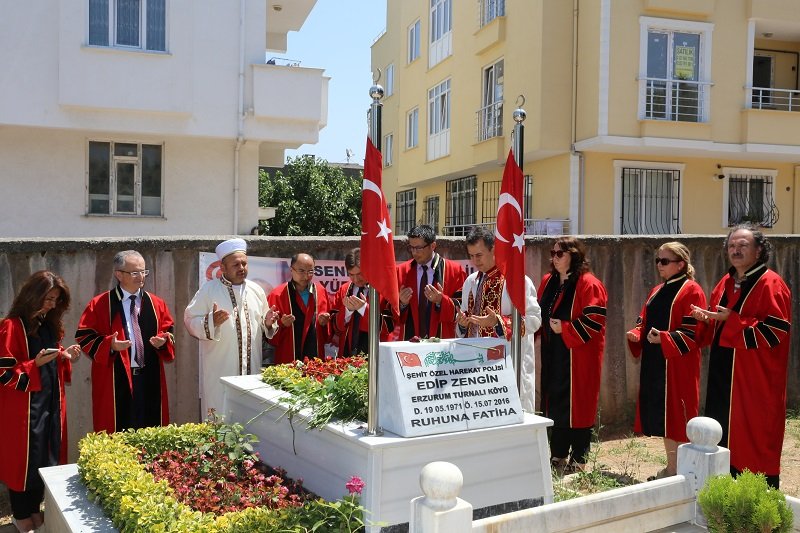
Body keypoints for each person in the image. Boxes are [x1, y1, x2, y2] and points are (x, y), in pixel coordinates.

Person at [691, 224, 791, 489]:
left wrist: (731, 321)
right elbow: (720, 324)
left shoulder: (771, 284)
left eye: (743, 245)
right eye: (732, 245)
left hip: (755, 380)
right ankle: (724, 492)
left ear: (759, 251)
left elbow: (775, 331)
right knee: (722, 432)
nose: (735, 250)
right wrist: (708, 320)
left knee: (754, 437)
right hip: (724, 376)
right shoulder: (725, 282)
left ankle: (758, 499)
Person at [0, 271, 81, 533]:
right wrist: (34, 365)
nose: (51, 304)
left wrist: (64, 356)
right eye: (47, 299)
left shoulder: (48, 324)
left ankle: (35, 510)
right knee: (23, 460)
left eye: (56, 300)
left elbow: (51, 359)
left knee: (45, 457)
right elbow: (4, 373)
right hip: (23, 407)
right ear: (33, 296)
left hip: (50, 402)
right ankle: (20, 514)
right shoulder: (11, 326)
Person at [626, 242, 707, 480]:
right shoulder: (657, 290)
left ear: (680, 264)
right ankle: (672, 467)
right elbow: (644, 320)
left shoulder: (692, 291)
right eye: (658, 261)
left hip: (678, 364)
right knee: (664, 417)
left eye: (664, 261)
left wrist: (664, 338)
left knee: (679, 415)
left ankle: (685, 469)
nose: (659, 265)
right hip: (656, 362)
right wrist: (637, 333)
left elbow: (695, 332)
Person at [76, 250, 176, 433]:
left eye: (144, 272)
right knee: (117, 433)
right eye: (135, 272)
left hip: (149, 377)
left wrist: (163, 342)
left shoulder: (156, 303)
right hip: (115, 379)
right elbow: (84, 336)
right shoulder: (100, 304)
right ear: (119, 274)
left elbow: (168, 331)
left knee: (150, 432)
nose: (141, 277)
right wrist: (110, 345)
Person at [184, 238, 278, 418]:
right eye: (236, 264)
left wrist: (268, 323)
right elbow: (190, 320)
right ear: (223, 267)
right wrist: (212, 321)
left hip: (252, 372)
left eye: (244, 263)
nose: (241, 268)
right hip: (220, 370)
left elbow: (265, 326)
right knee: (220, 417)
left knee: (251, 419)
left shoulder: (256, 290)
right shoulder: (209, 290)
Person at [538, 237, 607, 473]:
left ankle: (578, 459)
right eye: (553, 253)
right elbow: (538, 313)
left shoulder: (589, 284)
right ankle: (557, 455)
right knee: (555, 402)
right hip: (553, 354)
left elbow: (594, 320)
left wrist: (565, 328)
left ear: (574, 255)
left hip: (578, 356)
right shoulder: (549, 281)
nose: (554, 258)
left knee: (578, 405)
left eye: (560, 254)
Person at [456, 226, 542, 412]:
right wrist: (463, 323)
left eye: (479, 255)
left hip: (509, 364)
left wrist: (498, 322)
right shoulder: (470, 281)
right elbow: (465, 315)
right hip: (476, 366)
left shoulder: (517, 281)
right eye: (471, 255)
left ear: (493, 250)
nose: (474, 260)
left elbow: (535, 319)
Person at [396, 224, 466, 340]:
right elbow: (390, 312)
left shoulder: (454, 271)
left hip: (442, 342)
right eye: (411, 247)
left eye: (418, 248)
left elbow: (463, 309)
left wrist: (441, 300)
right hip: (410, 342)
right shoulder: (401, 271)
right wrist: (402, 303)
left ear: (432, 246)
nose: (414, 252)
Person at [268, 252, 331, 363]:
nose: (306, 276)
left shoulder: (321, 291)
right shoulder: (277, 294)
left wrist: (324, 323)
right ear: (291, 270)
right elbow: (268, 333)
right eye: (301, 271)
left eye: (310, 271)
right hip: (288, 357)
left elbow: (328, 332)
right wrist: (281, 324)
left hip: (315, 356)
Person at [331, 248, 393, 357]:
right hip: (348, 351)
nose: (356, 279)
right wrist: (347, 311)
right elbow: (335, 327)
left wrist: (364, 308)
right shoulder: (344, 289)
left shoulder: (383, 289)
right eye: (351, 274)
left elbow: (389, 326)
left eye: (359, 274)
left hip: (376, 351)